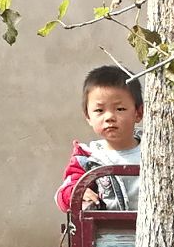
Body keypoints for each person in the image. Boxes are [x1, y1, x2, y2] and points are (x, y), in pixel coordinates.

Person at [57, 65, 145, 214]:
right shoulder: (88, 158)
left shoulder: (153, 151)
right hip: (106, 234)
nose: (109, 117)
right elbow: (62, 195)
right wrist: (77, 193)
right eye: (99, 110)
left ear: (138, 112)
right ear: (88, 116)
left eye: (120, 109)